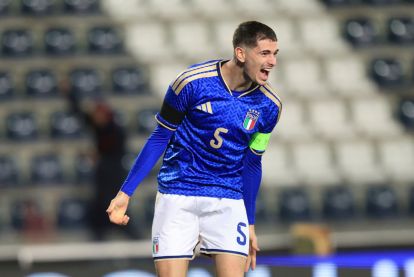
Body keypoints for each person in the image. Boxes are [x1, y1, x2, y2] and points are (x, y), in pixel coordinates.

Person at [107, 21, 282, 276]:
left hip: (227, 200)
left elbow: (252, 163)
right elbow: (160, 137)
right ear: (241, 53)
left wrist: (250, 222)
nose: (272, 62)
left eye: (275, 54)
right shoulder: (191, 83)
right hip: (178, 194)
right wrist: (125, 193)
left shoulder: (269, 107)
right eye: (264, 53)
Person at [66, 90, 141, 241]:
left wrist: (97, 155)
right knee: (100, 207)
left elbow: (114, 152)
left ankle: (134, 239)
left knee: (115, 204)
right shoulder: (98, 126)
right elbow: (80, 114)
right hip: (103, 173)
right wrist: (69, 93)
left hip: (115, 173)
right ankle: (99, 239)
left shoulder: (116, 130)